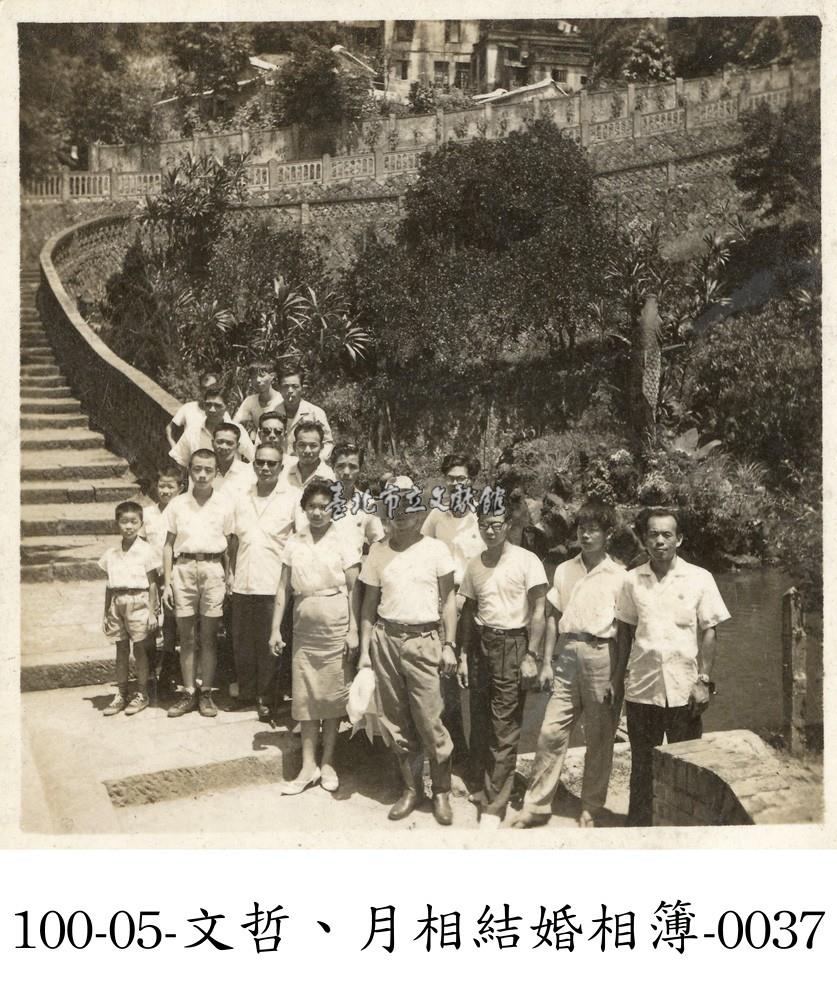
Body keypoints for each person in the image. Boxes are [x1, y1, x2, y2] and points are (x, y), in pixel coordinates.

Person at [513, 498, 627, 830]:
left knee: (600, 737)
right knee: (550, 732)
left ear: (607, 534)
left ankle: (591, 807)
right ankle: (536, 805)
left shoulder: (621, 575)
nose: (586, 536)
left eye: (593, 530)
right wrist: (547, 662)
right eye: (582, 529)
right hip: (568, 654)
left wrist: (617, 676)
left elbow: (625, 631)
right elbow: (552, 617)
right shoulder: (564, 569)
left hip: (603, 654)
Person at [614, 507, 731, 826]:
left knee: (689, 766)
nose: (660, 541)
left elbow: (710, 630)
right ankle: (639, 830)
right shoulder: (631, 580)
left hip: (684, 690)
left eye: (667, 534)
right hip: (643, 688)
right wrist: (618, 679)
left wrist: (703, 680)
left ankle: (688, 831)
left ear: (679, 539)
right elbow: (625, 632)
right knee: (642, 767)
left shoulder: (699, 578)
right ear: (644, 539)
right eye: (653, 534)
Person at [357, 476, 458, 826]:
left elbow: (449, 601)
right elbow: (368, 606)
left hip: (424, 640)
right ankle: (411, 790)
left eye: (408, 512)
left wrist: (449, 645)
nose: (401, 518)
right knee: (396, 720)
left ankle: (441, 791)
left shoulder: (436, 550)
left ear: (418, 515)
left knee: (430, 720)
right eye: (394, 512)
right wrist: (365, 651)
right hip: (386, 639)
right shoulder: (378, 551)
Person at [457, 506, 548, 827]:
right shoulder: (474, 564)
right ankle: (484, 786)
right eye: (485, 525)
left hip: (514, 644)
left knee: (504, 726)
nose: (490, 531)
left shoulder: (527, 560)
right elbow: (469, 613)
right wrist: (463, 656)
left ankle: (495, 806)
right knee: (480, 720)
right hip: (481, 643)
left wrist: (532, 655)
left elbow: (540, 609)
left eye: (497, 524)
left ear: (508, 524)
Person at [269, 478, 360, 794]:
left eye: (324, 506)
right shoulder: (294, 541)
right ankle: (308, 766)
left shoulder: (344, 539)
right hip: (303, 626)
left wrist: (353, 630)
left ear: (333, 508)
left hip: (336, 623)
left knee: (332, 695)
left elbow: (354, 589)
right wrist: (275, 629)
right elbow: (282, 588)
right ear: (304, 508)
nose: (318, 512)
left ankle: (328, 762)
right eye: (312, 507)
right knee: (306, 694)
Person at [421, 453, 486, 761]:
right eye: (451, 478)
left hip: (476, 603)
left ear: (471, 481)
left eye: (462, 478)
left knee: (473, 671)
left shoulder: (481, 516)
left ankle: (478, 753)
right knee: (445, 674)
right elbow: (421, 551)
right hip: (444, 600)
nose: (456, 483)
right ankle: (452, 750)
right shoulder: (436, 517)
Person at [228, 444, 300, 720]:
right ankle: (247, 692)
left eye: (271, 463)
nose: (265, 468)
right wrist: (230, 573)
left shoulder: (292, 498)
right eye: (260, 462)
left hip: (274, 583)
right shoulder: (241, 497)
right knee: (243, 642)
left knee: (271, 643)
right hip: (243, 581)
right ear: (254, 464)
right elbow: (233, 540)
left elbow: (299, 539)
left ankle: (268, 698)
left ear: (281, 467)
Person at [162, 449, 235, 719]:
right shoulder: (177, 504)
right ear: (189, 471)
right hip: (183, 569)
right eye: (197, 469)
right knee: (187, 637)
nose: (202, 475)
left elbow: (231, 543)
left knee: (209, 637)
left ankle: (206, 693)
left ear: (216, 472)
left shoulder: (224, 504)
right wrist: (167, 583)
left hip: (213, 569)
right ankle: (189, 692)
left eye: (208, 470)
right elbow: (168, 545)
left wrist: (230, 573)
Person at [99, 501, 161, 717]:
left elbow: (153, 584)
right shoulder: (112, 553)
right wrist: (106, 612)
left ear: (141, 524)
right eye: (124, 521)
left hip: (139, 601)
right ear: (116, 523)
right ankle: (121, 693)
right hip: (117, 602)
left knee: (140, 649)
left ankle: (142, 693)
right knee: (121, 649)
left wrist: (152, 612)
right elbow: (109, 586)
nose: (129, 526)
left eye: (134, 522)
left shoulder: (147, 551)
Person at [141, 465, 184, 696]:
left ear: (180, 488)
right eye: (161, 486)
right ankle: (149, 671)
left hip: (175, 573)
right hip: (151, 574)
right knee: (149, 620)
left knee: (171, 622)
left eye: (170, 486)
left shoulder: (183, 511)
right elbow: (140, 544)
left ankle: (168, 667)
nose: (165, 491)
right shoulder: (148, 513)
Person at [323, 442, 384, 562]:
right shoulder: (319, 500)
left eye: (352, 467)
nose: (346, 472)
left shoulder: (367, 503)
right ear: (333, 467)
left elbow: (377, 542)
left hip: (352, 571)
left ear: (360, 469)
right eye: (340, 466)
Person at [170, 387, 255, 468]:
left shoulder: (237, 430)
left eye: (217, 406)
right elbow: (181, 462)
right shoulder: (193, 431)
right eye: (208, 405)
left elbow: (254, 459)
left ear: (227, 407)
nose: (212, 409)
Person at [276, 363, 334, 461]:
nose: (290, 391)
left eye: (295, 386)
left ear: (302, 388)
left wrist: (315, 460)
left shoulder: (316, 413)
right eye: (285, 386)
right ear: (279, 389)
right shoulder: (272, 413)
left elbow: (328, 443)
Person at [165, 369, 225, 453]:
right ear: (200, 389)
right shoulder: (188, 408)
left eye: (211, 387)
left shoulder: (222, 414)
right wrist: (174, 448)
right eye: (204, 388)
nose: (207, 391)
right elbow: (169, 428)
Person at [234, 359, 284, 441]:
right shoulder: (250, 401)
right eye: (253, 376)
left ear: (272, 376)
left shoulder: (281, 401)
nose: (257, 380)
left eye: (262, 376)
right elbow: (235, 424)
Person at [280, 420, 335, 490]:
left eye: (313, 445)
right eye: (302, 445)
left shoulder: (329, 477)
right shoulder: (284, 473)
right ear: (294, 446)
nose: (307, 451)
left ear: (321, 447)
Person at [210, 422, 256, 500]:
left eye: (229, 443)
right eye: (220, 442)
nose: (224, 447)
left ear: (237, 446)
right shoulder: (203, 471)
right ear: (212, 443)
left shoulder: (248, 472)